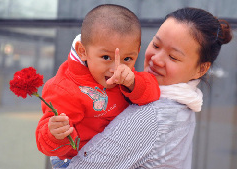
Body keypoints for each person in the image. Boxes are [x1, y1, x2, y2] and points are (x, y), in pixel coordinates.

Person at [66, 7, 233, 169]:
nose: (156, 59)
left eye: (173, 57)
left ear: (201, 69)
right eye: (156, 45)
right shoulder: (185, 101)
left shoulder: (152, 115)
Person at [35, 4, 160, 169]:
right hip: (74, 160)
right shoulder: (65, 88)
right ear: (82, 51)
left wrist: (133, 83)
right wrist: (55, 134)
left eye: (128, 59)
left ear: (136, 52)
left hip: (114, 155)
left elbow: (153, 92)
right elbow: (46, 144)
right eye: (106, 57)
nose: (116, 68)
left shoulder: (126, 74)